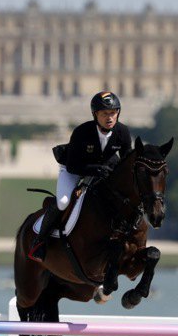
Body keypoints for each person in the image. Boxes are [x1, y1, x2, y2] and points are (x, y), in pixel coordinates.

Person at [28, 91, 133, 262]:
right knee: (63, 202)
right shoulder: (82, 132)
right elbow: (73, 165)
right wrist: (96, 170)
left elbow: (127, 162)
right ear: (95, 114)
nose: (109, 117)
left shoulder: (122, 132)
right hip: (73, 170)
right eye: (105, 113)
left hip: (104, 172)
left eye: (113, 113)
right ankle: (40, 242)